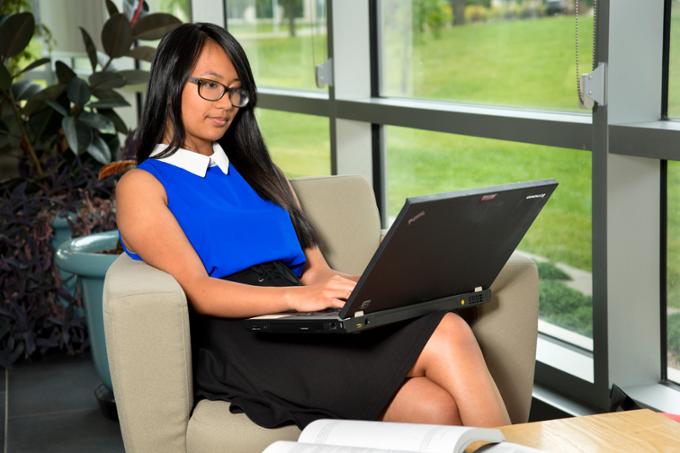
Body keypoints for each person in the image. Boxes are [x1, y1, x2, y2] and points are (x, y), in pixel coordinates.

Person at [115, 22, 510, 430]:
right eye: (211, 85)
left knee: (434, 408)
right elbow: (200, 291)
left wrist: (367, 289)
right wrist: (296, 298)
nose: (226, 103)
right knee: (449, 331)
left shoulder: (264, 173)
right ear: (170, 80)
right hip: (243, 339)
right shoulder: (143, 186)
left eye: (236, 90)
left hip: (299, 317)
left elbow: (314, 270)